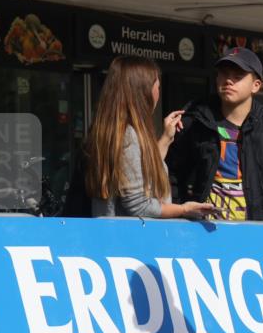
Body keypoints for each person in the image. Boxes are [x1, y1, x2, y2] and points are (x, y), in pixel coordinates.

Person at [166, 47, 263, 221]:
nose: (228, 80)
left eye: (238, 76)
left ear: (256, 85)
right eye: (223, 74)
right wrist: (180, 215)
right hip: (203, 233)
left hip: (258, 235)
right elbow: (172, 176)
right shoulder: (194, 123)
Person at [86, 56, 214, 219]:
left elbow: (141, 175)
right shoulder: (128, 135)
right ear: (144, 91)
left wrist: (166, 139)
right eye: (158, 86)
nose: (158, 93)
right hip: (134, 240)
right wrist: (183, 209)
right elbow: (139, 205)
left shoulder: (111, 131)